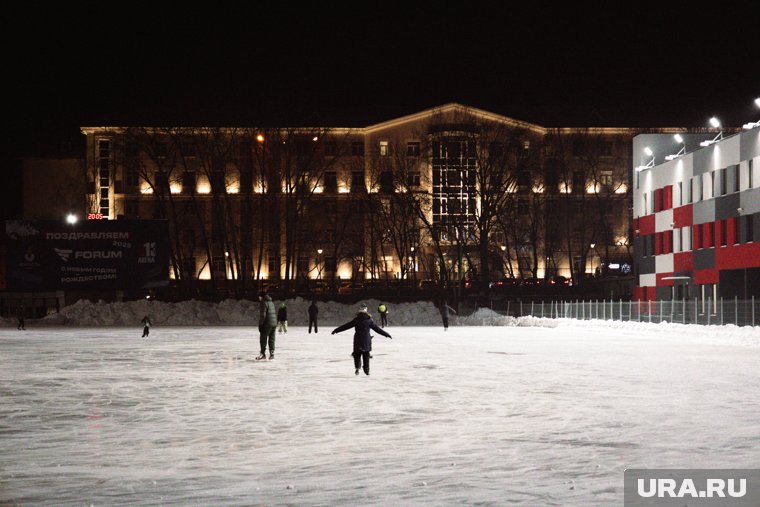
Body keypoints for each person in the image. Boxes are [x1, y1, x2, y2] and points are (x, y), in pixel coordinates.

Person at [332, 303, 391, 376]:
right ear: (366, 311)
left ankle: (357, 367)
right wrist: (386, 334)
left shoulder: (356, 320)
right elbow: (377, 329)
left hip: (357, 339)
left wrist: (336, 330)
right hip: (366, 340)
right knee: (366, 355)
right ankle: (367, 371)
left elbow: (346, 326)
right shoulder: (369, 320)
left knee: (357, 354)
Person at [257, 293, 277, 360]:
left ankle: (262, 354)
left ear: (261, 297)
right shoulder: (271, 302)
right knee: (272, 339)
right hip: (274, 324)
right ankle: (272, 354)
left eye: (259, 297)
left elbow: (263, 316)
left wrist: (260, 325)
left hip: (267, 324)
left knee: (263, 339)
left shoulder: (264, 303)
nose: (259, 299)